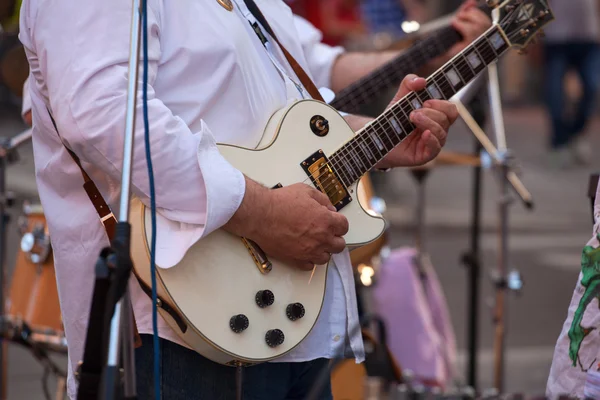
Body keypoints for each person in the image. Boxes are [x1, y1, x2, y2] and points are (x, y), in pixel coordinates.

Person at [18, 0, 486, 398]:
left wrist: (377, 139)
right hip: (175, 324)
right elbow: (101, 114)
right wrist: (261, 214)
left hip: (291, 321)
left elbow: (279, 125)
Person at [542, 0, 600, 168]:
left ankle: (577, 133)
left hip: (589, 34)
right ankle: (559, 141)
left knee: (592, 86)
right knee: (555, 93)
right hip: (556, 35)